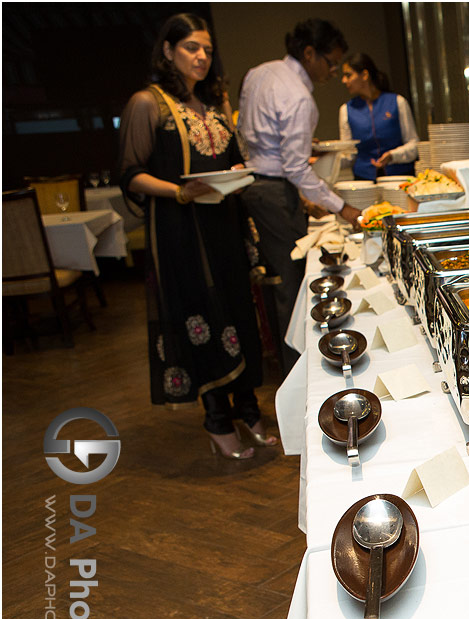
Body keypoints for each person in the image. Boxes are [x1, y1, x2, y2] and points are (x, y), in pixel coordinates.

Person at [118, 12, 277, 460]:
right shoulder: (148, 104)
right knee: (201, 315)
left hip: (224, 224)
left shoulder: (216, 103)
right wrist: (180, 192)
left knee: (239, 312)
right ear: (168, 50)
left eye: (207, 49)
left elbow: (230, 158)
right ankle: (216, 419)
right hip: (181, 230)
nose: (202, 57)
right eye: (191, 47)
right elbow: (131, 174)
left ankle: (247, 409)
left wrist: (232, 174)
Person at [238, 18, 361, 373]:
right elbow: (295, 169)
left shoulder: (259, 73)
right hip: (276, 194)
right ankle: (300, 374)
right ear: (309, 53)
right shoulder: (300, 98)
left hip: (254, 185)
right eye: (331, 61)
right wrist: (342, 207)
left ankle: (291, 365)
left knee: (279, 284)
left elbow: (255, 137)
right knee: (291, 292)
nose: (333, 70)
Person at [338, 53, 420, 181]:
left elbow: (414, 144)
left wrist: (393, 155)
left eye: (348, 75)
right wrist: (324, 159)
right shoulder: (346, 110)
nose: (343, 81)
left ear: (365, 75)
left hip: (400, 178)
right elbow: (349, 155)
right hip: (364, 181)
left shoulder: (397, 102)